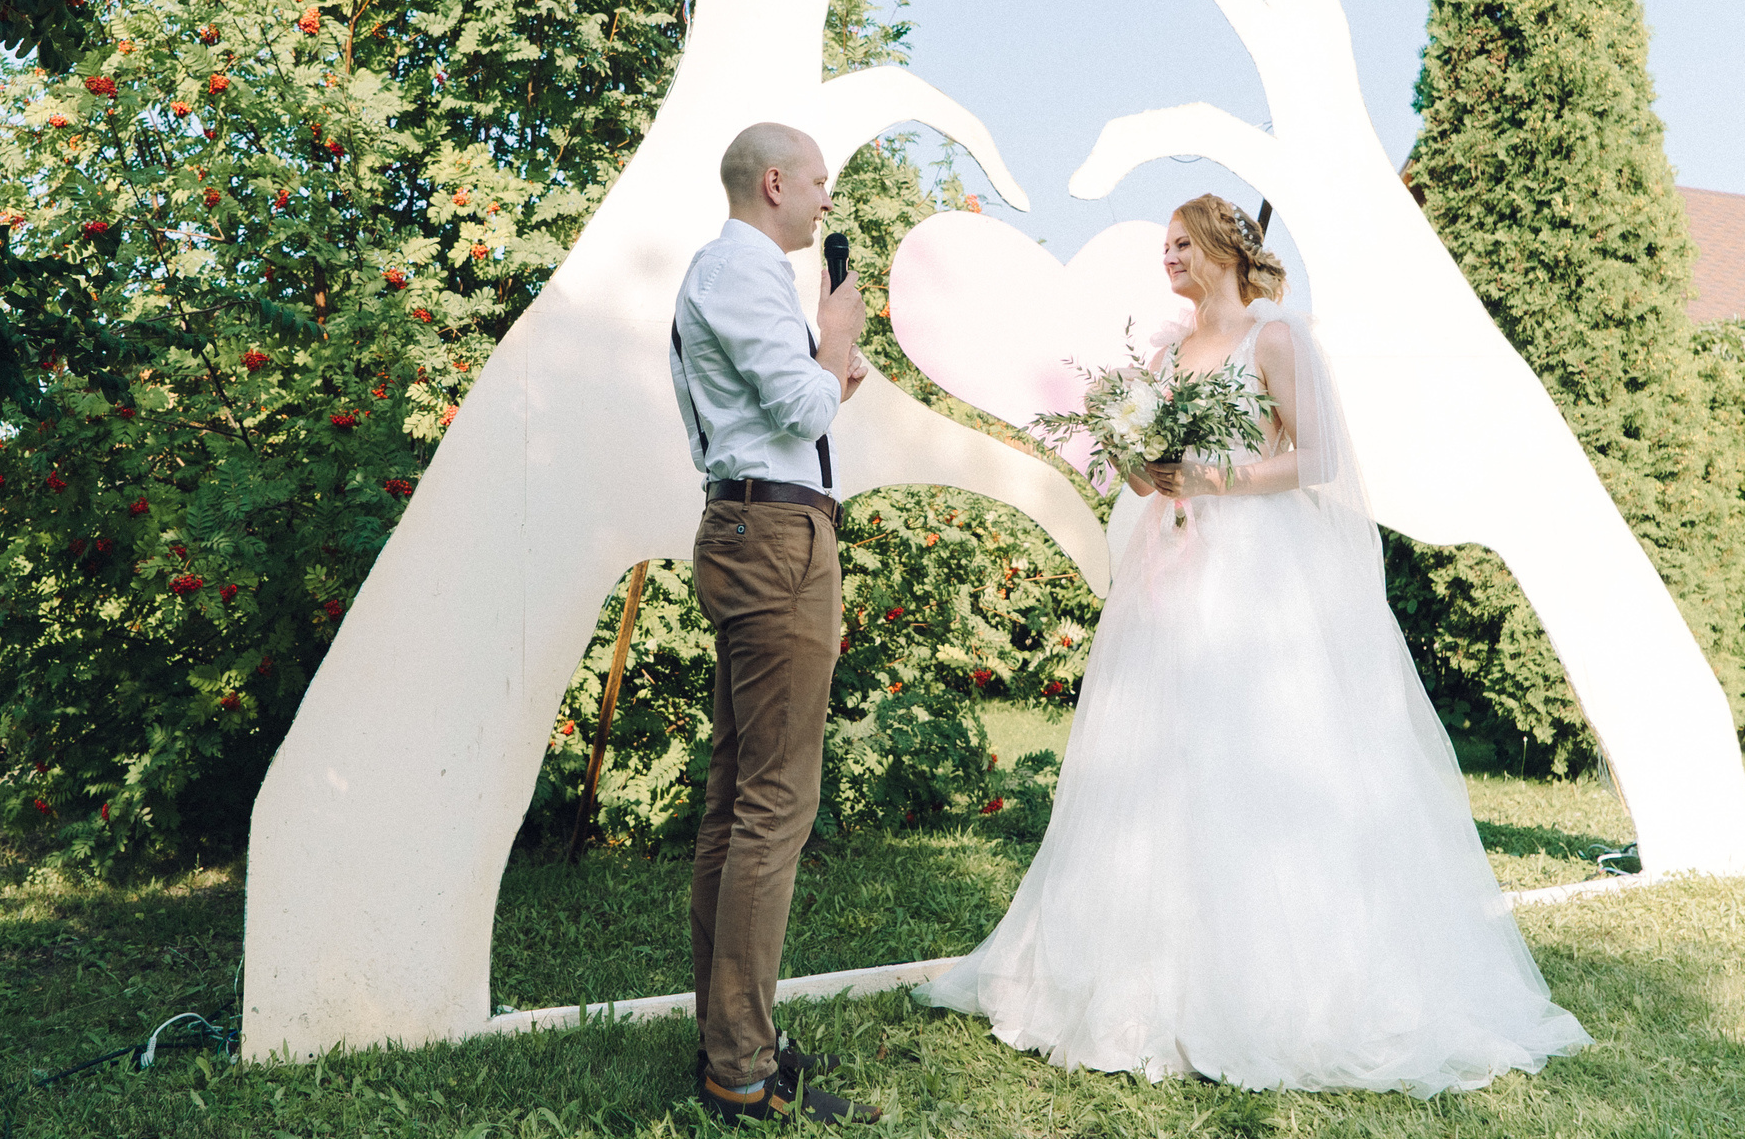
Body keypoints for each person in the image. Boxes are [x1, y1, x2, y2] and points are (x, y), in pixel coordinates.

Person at [918, 194, 1592, 1096]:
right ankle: (1140, 979)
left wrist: (1213, 477)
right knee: (1157, 755)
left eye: (1181, 244)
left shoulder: (1276, 339)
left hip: (1259, 573)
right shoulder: (1164, 352)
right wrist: (1142, 463)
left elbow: (1317, 460)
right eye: (1164, 246)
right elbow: (1145, 470)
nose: (1168, 258)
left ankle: (1281, 980)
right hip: (1170, 568)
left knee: (1252, 751)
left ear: (1226, 249)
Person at [670, 122, 880, 1125]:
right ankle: (741, 1068)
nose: (827, 200)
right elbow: (801, 407)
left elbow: (793, 407)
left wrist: (830, 365)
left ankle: (730, 1040)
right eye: (820, 182)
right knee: (774, 805)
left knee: (736, 799)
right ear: (774, 183)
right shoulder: (744, 272)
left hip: (758, 526)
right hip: (775, 539)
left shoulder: (731, 275)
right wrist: (834, 340)